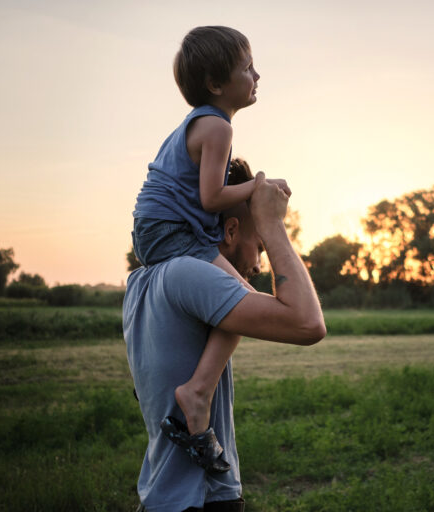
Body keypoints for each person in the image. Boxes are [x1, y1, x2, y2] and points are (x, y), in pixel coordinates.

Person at [124, 164, 325, 512]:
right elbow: (307, 323)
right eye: (259, 246)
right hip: (200, 499)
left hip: (159, 495)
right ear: (231, 230)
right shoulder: (189, 275)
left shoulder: (139, 283)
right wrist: (273, 224)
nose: (260, 264)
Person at [131, 26, 289, 466]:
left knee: (237, 298)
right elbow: (211, 199)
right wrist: (260, 189)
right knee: (241, 298)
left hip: (161, 230)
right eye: (247, 68)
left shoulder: (203, 124)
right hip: (168, 231)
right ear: (217, 84)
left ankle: (190, 388)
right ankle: (196, 393)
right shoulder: (216, 126)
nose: (257, 75)